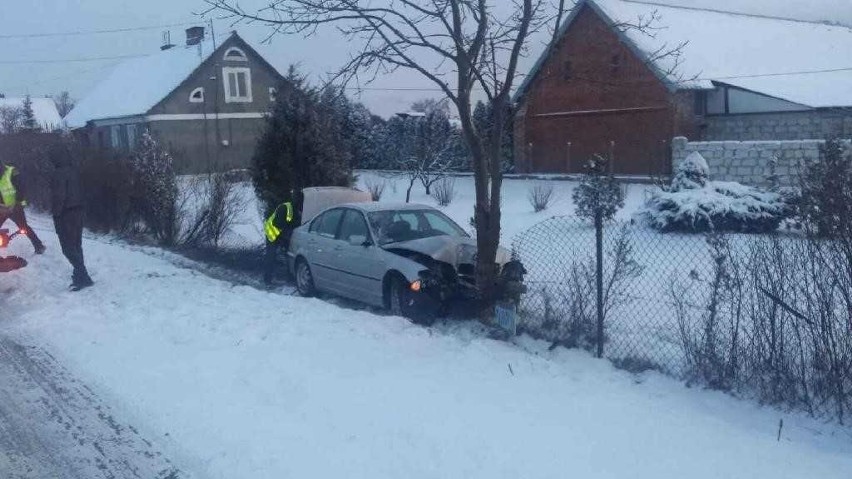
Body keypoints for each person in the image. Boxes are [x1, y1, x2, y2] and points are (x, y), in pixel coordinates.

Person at [50, 148, 93, 291]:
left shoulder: (58, 174)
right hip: (79, 212)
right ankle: (80, 275)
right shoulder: (74, 170)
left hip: (66, 214)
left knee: (68, 248)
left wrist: (56, 215)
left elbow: (59, 196)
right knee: (76, 245)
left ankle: (83, 276)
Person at [0, 162, 46, 254]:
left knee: (24, 227)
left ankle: (39, 246)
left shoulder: (11, 172)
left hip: (15, 208)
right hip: (2, 209)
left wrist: (17, 203)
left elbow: (21, 188)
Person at [263, 195, 296, 285]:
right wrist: (284, 235)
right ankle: (267, 279)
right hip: (272, 234)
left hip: (277, 234)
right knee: (271, 256)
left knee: (279, 255)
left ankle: (274, 276)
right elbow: (277, 223)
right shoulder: (285, 208)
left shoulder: (289, 209)